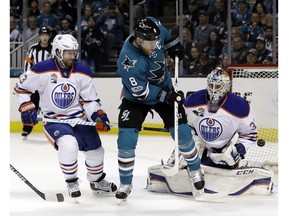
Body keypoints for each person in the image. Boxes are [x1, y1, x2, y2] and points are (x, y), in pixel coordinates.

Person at [14, 34, 117, 199]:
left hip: (79, 118)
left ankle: (96, 181)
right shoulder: (41, 69)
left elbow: (89, 101)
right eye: (68, 52)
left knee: (96, 149)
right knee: (69, 144)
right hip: (54, 120)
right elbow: (21, 88)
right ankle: (71, 181)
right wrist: (27, 107)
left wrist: (98, 116)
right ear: (58, 52)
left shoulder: (83, 72)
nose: (72, 56)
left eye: (74, 52)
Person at [115, 17, 204, 202]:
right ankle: (125, 183)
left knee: (183, 133)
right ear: (138, 40)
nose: (156, 45)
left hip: (165, 89)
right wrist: (167, 96)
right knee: (126, 138)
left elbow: (164, 33)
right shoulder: (128, 59)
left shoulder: (153, 30)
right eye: (151, 43)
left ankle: (196, 170)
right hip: (137, 98)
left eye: (157, 41)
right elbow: (141, 92)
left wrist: (173, 44)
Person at [147, 68, 274, 196]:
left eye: (218, 86)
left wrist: (239, 149)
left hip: (223, 150)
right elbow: (183, 123)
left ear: (226, 87)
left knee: (226, 158)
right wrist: (185, 136)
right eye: (211, 85)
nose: (213, 90)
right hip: (199, 145)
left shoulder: (240, 107)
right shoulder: (193, 100)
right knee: (184, 156)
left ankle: (234, 162)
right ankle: (181, 159)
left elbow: (250, 134)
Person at [21, 26, 53, 140]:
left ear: (49, 36)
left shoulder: (54, 49)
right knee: (31, 104)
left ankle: (52, 128)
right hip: (35, 81)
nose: (44, 37)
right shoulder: (33, 48)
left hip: (49, 83)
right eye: (42, 35)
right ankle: (27, 128)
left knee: (50, 105)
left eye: (46, 35)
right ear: (39, 36)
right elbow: (27, 63)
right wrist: (27, 78)